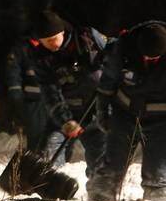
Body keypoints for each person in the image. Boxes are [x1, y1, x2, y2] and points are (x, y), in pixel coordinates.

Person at [87, 20, 166, 201]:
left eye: (154, 58)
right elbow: (108, 81)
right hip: (124, 114)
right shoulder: (123, 47)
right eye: (146, 57)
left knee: (156, 171)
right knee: (112, 164)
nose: (148, 61)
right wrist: (102, 110)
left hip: (162, 119)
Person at [28, 10, 108, 181]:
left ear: (62, 32)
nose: (51, 44)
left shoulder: (88, 39)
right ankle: (49, 184)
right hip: (66, 111)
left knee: (101, 158)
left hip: (96, 109)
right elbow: (49, 91)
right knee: (50, 149)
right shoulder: (41, 57)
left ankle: (99, 187)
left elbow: (115, 55)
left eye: (53, 39)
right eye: (45, 42)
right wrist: (65, 120)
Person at [5, 36, 48, 152]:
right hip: (34, 100)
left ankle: (56, 163)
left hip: (56, 99)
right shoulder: (23, 47)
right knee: (36, 135)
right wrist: (16, 94)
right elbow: (13, 71)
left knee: (57, 136)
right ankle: (35, 160)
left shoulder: (55, 44)